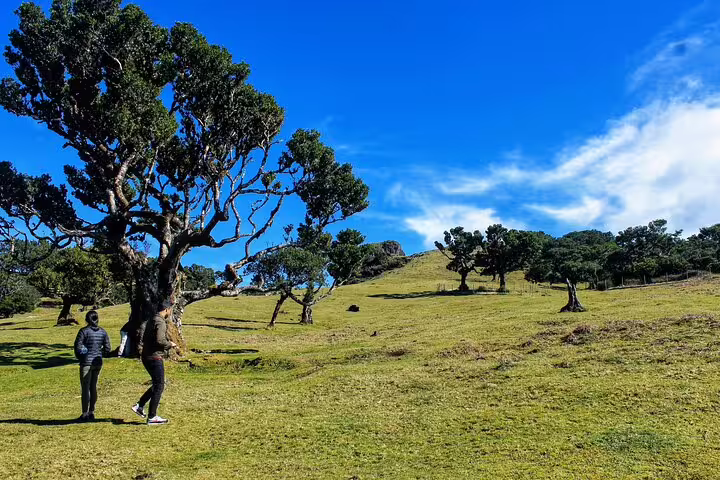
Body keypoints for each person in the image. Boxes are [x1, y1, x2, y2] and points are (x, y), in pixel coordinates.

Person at [132, 299, 177, 425]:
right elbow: (160, 340)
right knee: (160, 386)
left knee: (157, 384)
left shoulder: (151, 320)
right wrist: (170, 344)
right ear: (167, 309)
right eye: (170, 310)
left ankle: (140, 405)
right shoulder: (160, 322)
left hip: (146, 355)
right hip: (155, 357)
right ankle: (152, 416)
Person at [73, 310, 111, 422]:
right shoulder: (103, 332)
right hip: (97, 362)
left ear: (86, 319)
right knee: (93, 387)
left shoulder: (83, 331)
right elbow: (108, 348)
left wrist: (81, 357)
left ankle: (84, 413)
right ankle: (92, 411)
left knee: (85, 388)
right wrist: (100, 353)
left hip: (86, 363)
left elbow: (78, 348)